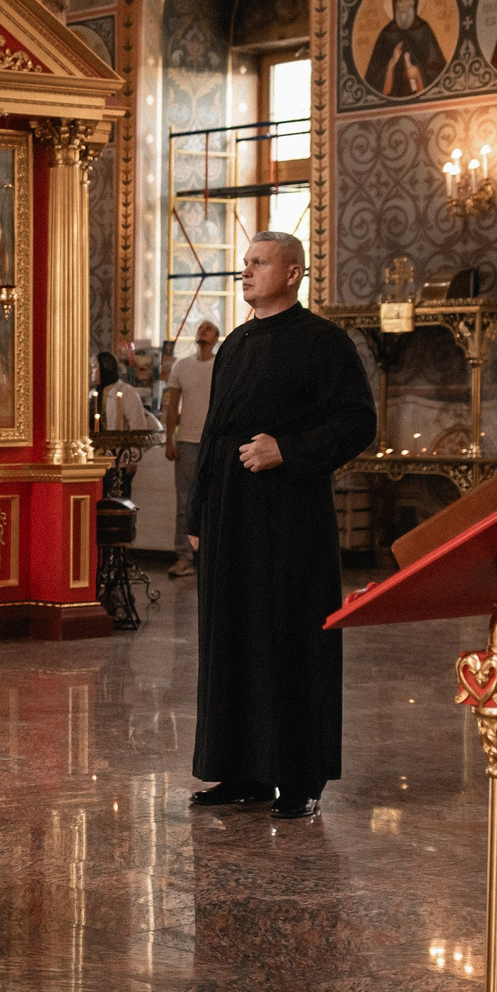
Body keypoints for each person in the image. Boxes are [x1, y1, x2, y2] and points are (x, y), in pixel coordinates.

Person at [188, 232, 377, 822]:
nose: (244, 272)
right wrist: (197, 515)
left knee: (290, 638)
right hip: (227, 517)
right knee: (232, 638)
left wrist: (287, 451)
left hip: (289, 518)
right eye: (244, 263)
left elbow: (358, 423)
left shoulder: (323, 342)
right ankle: (242, 770)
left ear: (292, 272)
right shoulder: (236, 344)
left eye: (258, 263)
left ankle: (300, 776)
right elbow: (215, 434)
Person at [162, 320, 219, 579]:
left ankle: (211, 558)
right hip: (186, 442)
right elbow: (172, 406)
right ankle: (184, 557)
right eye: (200, 328)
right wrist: (169, 440)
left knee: (215, 502)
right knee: (184, 503)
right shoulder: (181, 366)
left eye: (208, 329)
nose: (202, 332)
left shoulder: (220, 365)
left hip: (214, 443)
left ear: (216, 337)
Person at [362, 0, 447, 99]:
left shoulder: (423, 30)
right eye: (400, 1)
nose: (404, 5)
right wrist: (391, 63)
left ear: (415, 1)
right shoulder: (387, 34)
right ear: (394, 3)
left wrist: (418, 74)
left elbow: (438, 71)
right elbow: (371, 80)